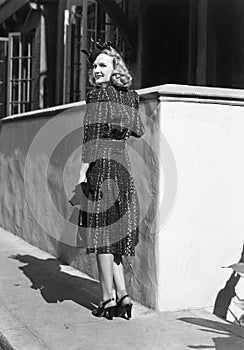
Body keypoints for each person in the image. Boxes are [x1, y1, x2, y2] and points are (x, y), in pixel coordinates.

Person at [79, 40, 145, 320]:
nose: (96, 70)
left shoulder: (98, 96)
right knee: (115, 235)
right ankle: (124, 295)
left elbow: (91, 138)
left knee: (101, 235)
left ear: (114, 67)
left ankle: (106, 299)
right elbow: (139, 130)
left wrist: (82, 173)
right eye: (94, 66)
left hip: (102, 167)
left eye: (102, 65)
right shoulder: (131, 97)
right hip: (123, 168)